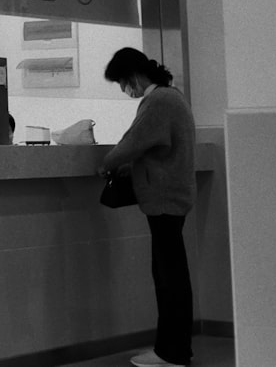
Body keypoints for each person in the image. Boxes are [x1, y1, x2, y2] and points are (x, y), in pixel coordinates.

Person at [99, 47, 196, 367]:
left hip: (164, 199)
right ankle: (176, 349)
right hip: (175, 196)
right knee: (172, 275)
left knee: (168, 278)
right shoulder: (173, 96)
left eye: (122, 83)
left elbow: (133, 141)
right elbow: (158, 148)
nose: (124, 91)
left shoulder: (158, 101)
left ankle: (171, 352)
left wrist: (107, 163)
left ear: (133, 76)